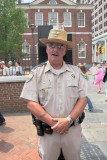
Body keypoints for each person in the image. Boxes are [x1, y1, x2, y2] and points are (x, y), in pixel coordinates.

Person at [20, 29, 88, 160]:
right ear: (46, 48)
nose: (55, 49)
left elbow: (83, 99)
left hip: (72, 131)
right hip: (48, 132)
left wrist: (68, 121)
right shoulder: (37, 73)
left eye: (60, 46)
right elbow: (31, 103)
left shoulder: (76, 72)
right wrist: (53, 123)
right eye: (51, 45)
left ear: (65, 50)